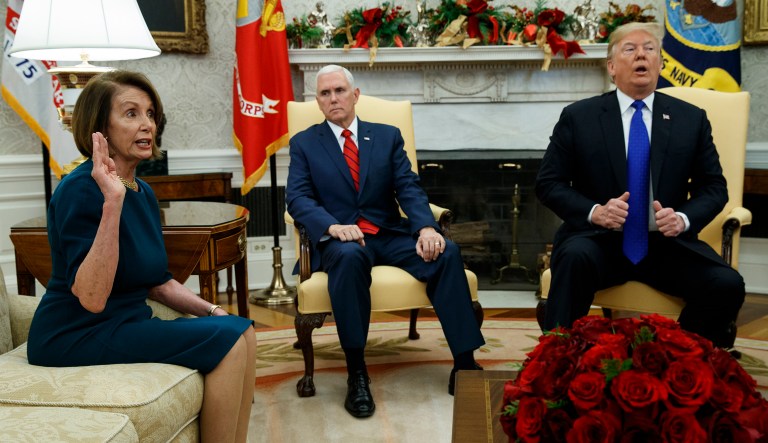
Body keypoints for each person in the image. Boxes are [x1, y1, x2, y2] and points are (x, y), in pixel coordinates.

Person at [26, 70, 257, 443]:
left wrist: (212, 310)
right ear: (99, 127)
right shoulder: (81, 189)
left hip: (127, 323)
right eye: (131, 113)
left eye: (150, 113)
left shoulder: (143, 192)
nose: (147, 124)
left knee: (241, 331)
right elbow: (92, 297)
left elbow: (159, 281)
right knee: (228, 341)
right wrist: (112, 202)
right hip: (74, 333)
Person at [286, 65, 485, 418]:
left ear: (355, 94)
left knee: (446, 251)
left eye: (339, 91)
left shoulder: (387, 136)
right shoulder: (304, 143)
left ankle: (465, 363)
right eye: (325, 93)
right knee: (348, 259)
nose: (333, 98)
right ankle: (357, 374)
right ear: (317, 102)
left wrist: (426, 228)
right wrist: (332, 227)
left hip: (388, 233)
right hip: (341, 240)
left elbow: (408, 187)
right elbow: (298, 199)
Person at [535, 22, 745, 350]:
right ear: (612, 67)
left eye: (649, 48)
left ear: (660, 64)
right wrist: (595, 212)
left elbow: (714, 187)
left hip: (666, 245)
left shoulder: (691, 119)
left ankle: (676, 359)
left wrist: (683, 219)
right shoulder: (579, 117)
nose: (641, 55)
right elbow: (548, 183)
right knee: (574, 259)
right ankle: (558, 364)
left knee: (726, 283)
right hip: (598, 242)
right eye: (629, 49)